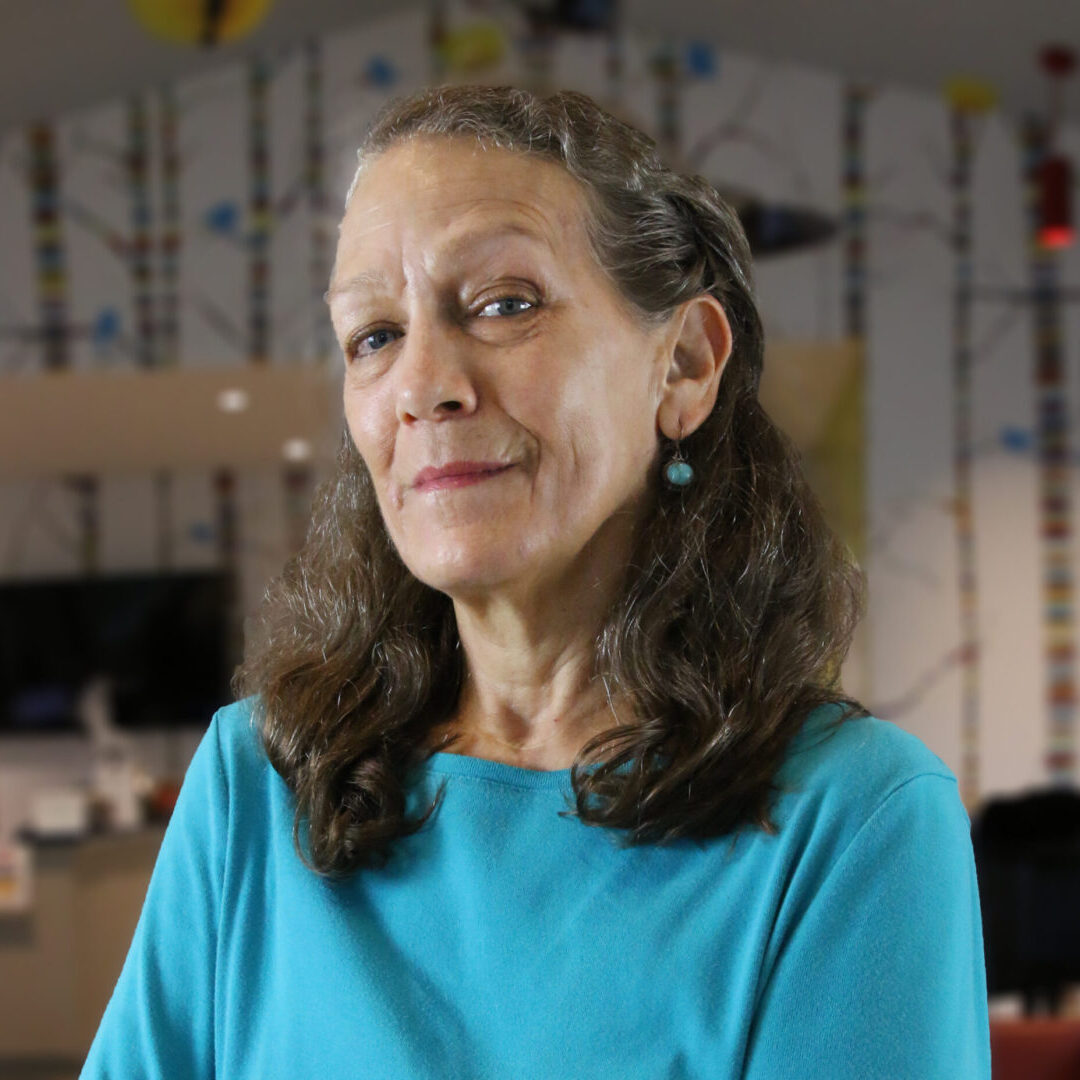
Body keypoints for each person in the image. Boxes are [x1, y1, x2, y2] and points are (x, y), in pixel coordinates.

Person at [82, 85, 991, 1079]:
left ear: (684, 364)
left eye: (503, 304)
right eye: (374, 335)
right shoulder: (252, 783)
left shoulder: (854, 816)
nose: (427, 383)